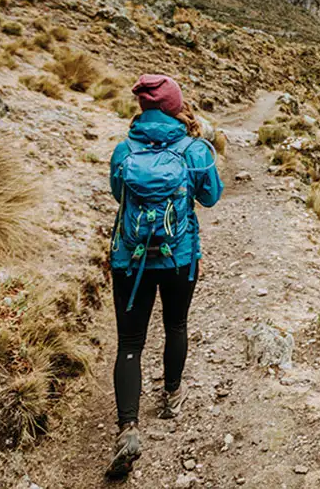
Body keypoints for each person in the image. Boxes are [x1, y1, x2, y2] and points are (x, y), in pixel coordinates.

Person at [105, 74, 223, 480]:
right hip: (179, 258)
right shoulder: (195, 150)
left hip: (129, 260)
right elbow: (211, 197)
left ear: (143, 109)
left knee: (130, 342)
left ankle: (128, 428)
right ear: (176, 106)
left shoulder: (124, 150)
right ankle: (172, 396)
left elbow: (117, 193)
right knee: (176, 325)